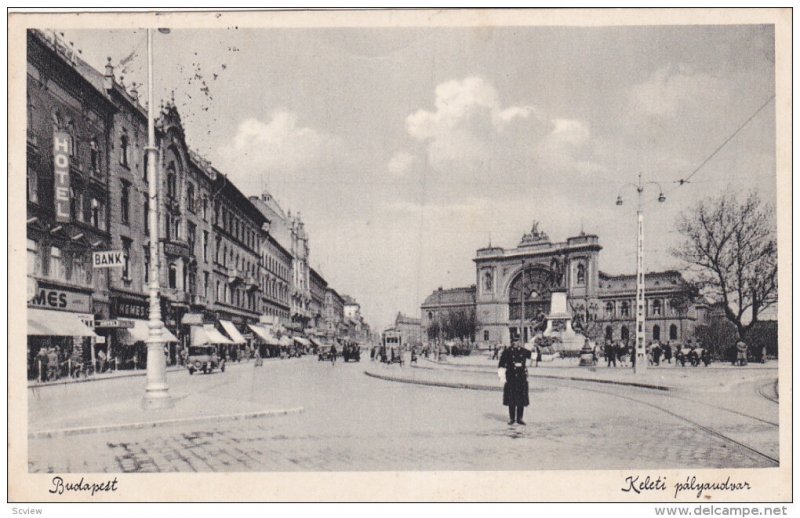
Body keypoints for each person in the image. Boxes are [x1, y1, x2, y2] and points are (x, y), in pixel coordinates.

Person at [498, 339, 533, 425]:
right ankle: (512, 418)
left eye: (517, 341)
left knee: (521, 399)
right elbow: (501, 365)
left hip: (521, 378)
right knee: (512, 399)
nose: (516, 343)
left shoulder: (523, 351)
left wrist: (552, 357)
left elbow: (535, 356)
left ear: (520, 342)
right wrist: (502, 378)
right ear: (512, 342)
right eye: (514, 341)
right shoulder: (507, 352)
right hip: (511, 378)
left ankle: (520, 418)